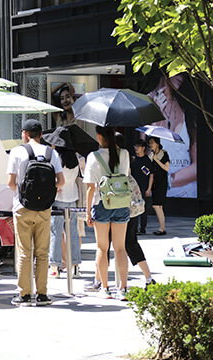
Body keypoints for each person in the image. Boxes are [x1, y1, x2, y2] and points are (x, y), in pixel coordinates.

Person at [7, 119, 64, 306]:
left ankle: (23, 294)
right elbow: (60, 181)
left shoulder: (17, 152)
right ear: (41, 135)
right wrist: (47, 194)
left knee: (24, 252)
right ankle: (42, 294)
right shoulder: (51, 152)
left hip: (22, 208)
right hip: (44, 209)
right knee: (42, 252)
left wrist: (22, 195)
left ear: (24, 133)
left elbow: (11, 182)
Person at [83, 126, 130, 301]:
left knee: (102, 248)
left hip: (101, 203)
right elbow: (125, 175)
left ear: (99, 136)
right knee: (120, 248)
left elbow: (90, 188)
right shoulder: (124, 154)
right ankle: (123, 289)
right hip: (121, 203)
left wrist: (87, 212)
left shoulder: (93, 157)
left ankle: (105, 288)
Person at [147, 74, 197, 198]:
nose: (182, 76)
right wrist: (155, 121)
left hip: (189, 193)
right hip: (158, 196)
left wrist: (166, 181)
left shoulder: (187, 105)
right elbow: (146, 158)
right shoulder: (146, 103)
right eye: (177, 69)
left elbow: (197, 166)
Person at [43, 128, 82, 279]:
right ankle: (75, 266)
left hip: (58, 198)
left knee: (55, 233)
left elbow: (54, 178)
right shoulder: (76, 157)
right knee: (72, 233)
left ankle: (55, 267)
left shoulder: (55, 157)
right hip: (72, 198)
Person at [129, 140, 153, 235]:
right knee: (133, 207)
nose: (136, 148)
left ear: (143, 148)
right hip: (133, 188)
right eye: (135, 145)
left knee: (143, 208)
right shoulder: (133, 160)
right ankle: (133, 229)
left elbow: (151, 175)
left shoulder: (147, 160)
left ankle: (143, 228)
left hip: (143, 187)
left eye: (138, 146)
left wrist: (149, 189)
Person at [148, 137, 170, 235]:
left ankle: (162, 228)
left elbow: (166, 168)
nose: (150, 145)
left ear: (157, 143)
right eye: (149, 143)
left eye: (152, 143)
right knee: (159, 206)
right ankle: (162, 228)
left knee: (156, 205)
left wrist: (157, 160)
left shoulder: (164, 153)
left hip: (162, 183)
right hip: (154, 183)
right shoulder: (151, 155)